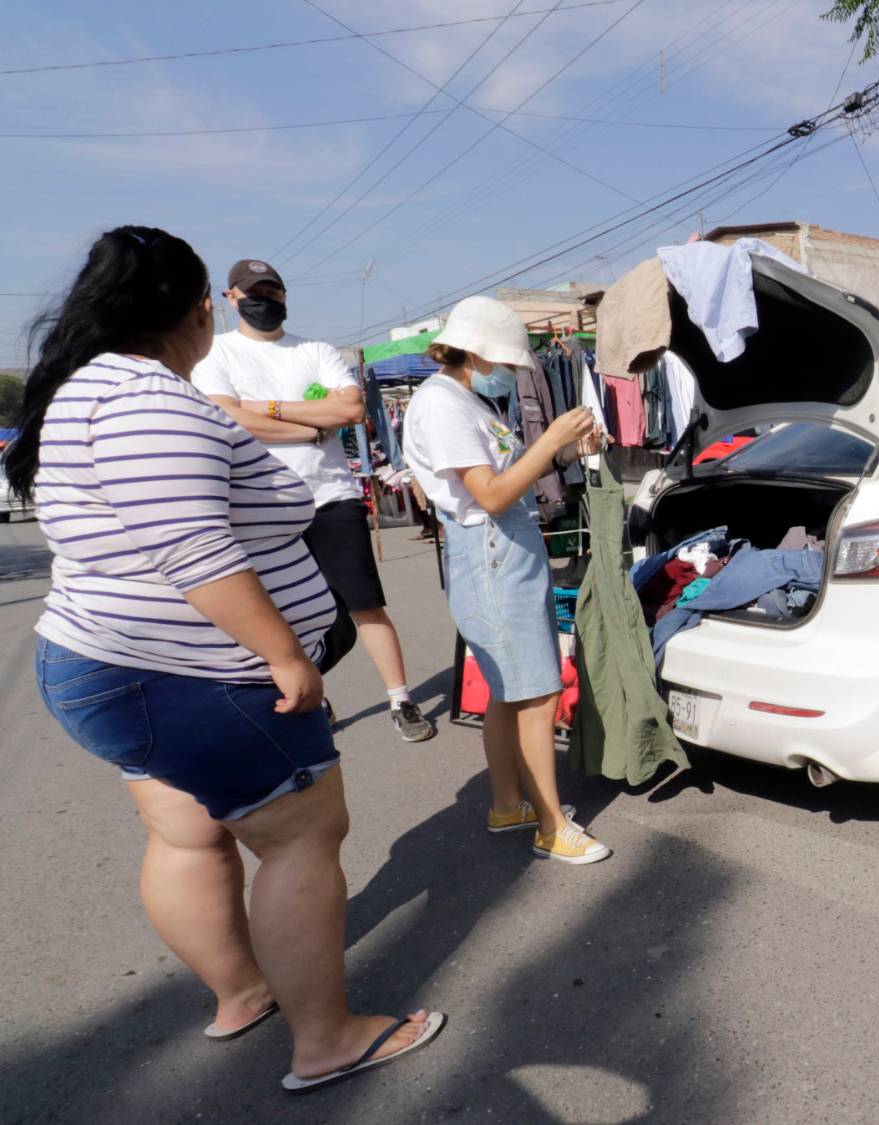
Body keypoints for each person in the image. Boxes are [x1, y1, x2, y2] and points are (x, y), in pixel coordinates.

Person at [6, 226, 443, 1092]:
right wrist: (283, 653)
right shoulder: (146, 402)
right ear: (196, 307)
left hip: (116, 664)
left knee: (187, 831)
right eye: (211, 296)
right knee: (302, 836)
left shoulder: (84, 391)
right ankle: (326, 1037)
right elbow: (196, 550)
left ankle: (243, 992)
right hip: (191, 672)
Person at [402, 296, 611, 865]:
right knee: (538, 695)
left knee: (509, 691)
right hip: (492, 557)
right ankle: (551, 825)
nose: (511, 374)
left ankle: (507, 804)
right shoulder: (442, 406)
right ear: (478, 352)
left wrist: (565, 451)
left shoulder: (463, 399)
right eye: (506, 362)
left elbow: (508, 474)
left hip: (507, 556)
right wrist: (549, 441)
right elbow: (490, 496)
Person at [193, 259, 434, 743]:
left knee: (365, 605)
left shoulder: (316, 350)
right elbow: (226, 417)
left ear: (284, 294)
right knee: (280, 613)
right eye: (252, 291)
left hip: (331, 496)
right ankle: (311, 694)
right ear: (230, 298)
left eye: (272, 290)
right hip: (257, 504)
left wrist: (266, 409)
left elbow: (350, 408)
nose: (264, 299)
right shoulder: (217, 354)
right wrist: (309, 427)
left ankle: (401, 699)